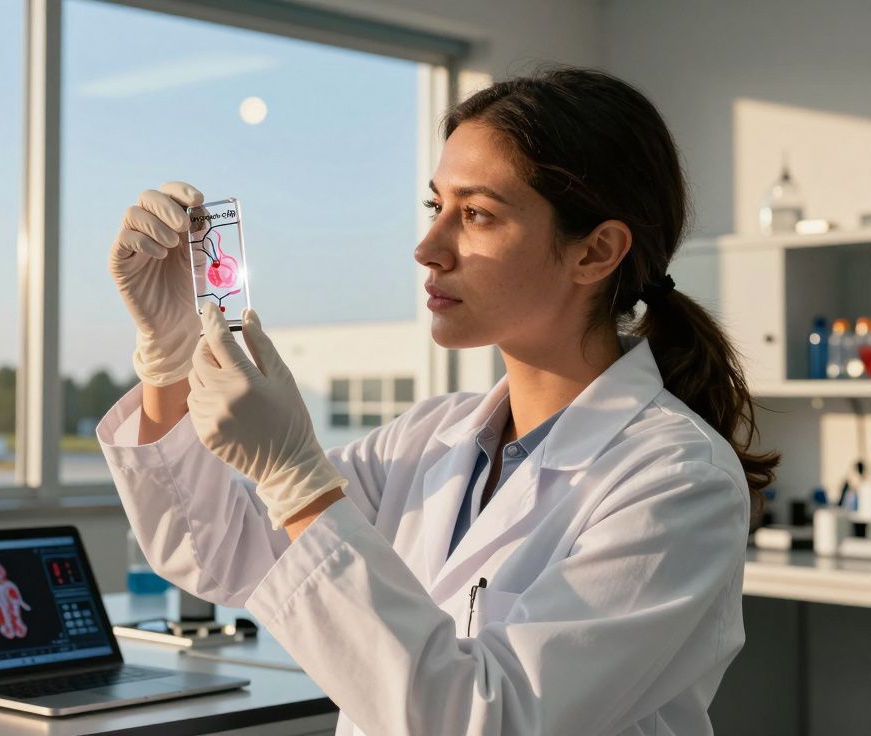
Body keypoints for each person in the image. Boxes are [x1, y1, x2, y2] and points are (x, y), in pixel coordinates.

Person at [97, 67, 778, 735]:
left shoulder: (679, 484)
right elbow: (219, 550)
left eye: (477, 214)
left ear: (596, 252)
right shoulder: (429, 439)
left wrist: (298, 482)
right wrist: (168, 358)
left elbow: (492, 719)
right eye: (436, 206)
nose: (429, 247)